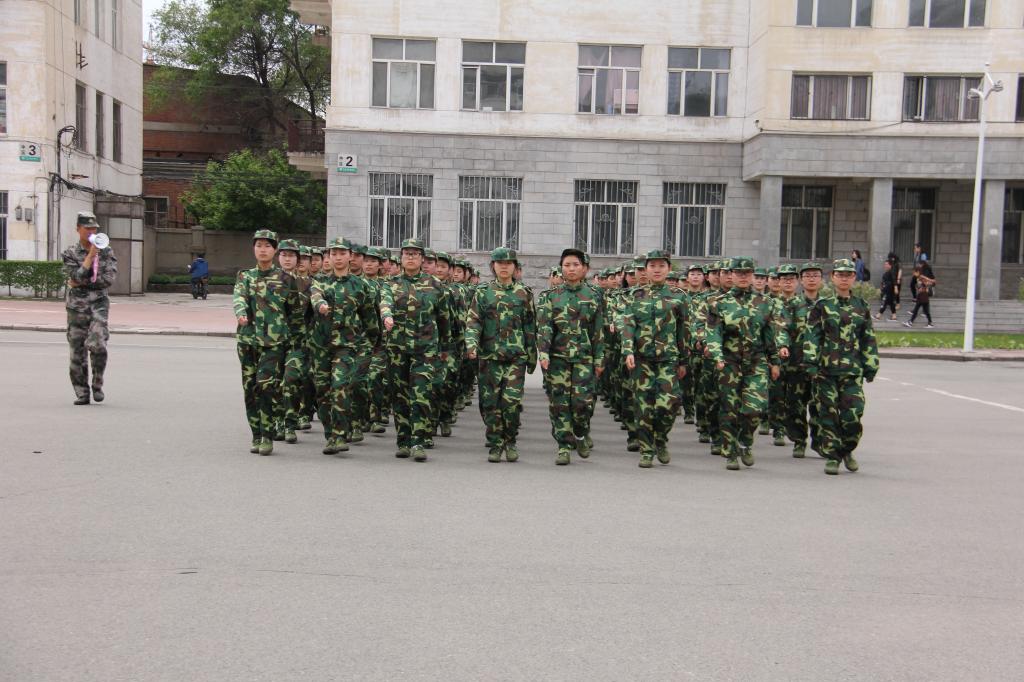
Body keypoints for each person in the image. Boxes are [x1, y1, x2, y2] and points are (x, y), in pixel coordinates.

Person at [705, 257, 784, 471]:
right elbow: (713, 332)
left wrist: (774, 362)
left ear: (752, 275)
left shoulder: (764, 302)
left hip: (756, 361)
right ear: (731, 275)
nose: (742, 277)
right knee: (729, 408)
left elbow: (769, 336)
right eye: (738, 273)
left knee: (755, 408)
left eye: (747, 273)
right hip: (729, 362)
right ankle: (730, 452)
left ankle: (745, 441)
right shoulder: (719, 303)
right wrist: (717, 355)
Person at [803, 258, 879, 475]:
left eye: (848, 275)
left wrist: (871, 364)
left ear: (854, 278)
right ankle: (833, 456)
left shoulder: (861, 306)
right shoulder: (822, 306)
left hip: (852, 371)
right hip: (826, 371)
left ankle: (846, 449)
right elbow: (812, 336)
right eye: (840, 275)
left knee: (853, 414)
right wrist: (811, 362)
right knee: (828, 415)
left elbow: (868, 338)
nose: (844, 279)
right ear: (833, 277)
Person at [379, 238, 452, 462]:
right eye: (407, 253)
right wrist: (387, 316)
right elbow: (385, 303)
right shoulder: (390, 284)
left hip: (425, 350)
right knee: (399, 395)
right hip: (397, 349)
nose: (410, 257)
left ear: (422, 258)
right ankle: (403, 441)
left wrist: (446, 349)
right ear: (401, 258)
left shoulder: (436, 286)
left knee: (421, 394)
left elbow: (444, 319)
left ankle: (419, 440)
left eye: (415, 254)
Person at [309, 238, 380, 455]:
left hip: (346, 346)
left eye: (342, 253)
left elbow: (369, 317)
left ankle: (340, 434)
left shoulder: (360, 286)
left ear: (350, 256)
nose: (338, 258)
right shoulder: (319, 281)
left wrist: (373, 343)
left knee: (340, 385)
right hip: (320, 345)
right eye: (334, 253)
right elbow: (315, 297)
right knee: (322, 391)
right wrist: (321, 305)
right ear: (328, 257)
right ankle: (330, 434)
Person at [465, 247, 536, 462]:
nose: (504, 267)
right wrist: (471, 344)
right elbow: (474, 321)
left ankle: (510, 441)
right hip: (489, 357)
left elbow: (530, 327)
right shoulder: (483, 292)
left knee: (511, 402)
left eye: (508, 263)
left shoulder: (524, 293)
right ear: (493, 266)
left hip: (516, 357)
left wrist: (532, 356)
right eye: (500, 263)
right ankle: (495, 444)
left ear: (515, 267)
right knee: (490, 404)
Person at [621, 249, 689, 468]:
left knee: (669, 404)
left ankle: (660, 438)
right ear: (646, 269)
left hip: (668, 358)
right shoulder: (635, 295)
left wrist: (684, 360)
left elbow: (684, 331)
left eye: (661, 266)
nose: (657, 270)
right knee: (644, 406)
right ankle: (647, 449)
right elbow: (628, 325)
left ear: (668, 269)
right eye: (652, 266)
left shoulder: (679, 296)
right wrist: (628, 351)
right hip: (641, 360)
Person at [233, 229, 298, 455]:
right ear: (254, 249)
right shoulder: (245, 276)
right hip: (248, 340)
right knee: (250, 389)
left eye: (267, 246)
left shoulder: (286, 279)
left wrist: (293, 343)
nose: (263, 250)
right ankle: (257, 434)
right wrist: (241, 313)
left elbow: (294, 313)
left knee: (266, 386)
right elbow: (239, 297)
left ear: (275, 250)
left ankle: (268, 435)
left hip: (274, 342)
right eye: (259, 245)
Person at [537, 248, 604, 465]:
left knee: (583, 403)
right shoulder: (551, 296)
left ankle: (581, 434)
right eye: (567, 265)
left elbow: (598, 330)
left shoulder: (594, 295)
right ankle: (564, 446)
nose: (571, 269)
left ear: (584, 268)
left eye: (576, 264)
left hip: (584, 358)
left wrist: (599, 358)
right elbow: (545, 327)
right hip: (558, 357)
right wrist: (543, 352)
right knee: (559, 404)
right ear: (561, 268)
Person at [62, 211, 118, 405]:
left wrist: (81, 281)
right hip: (76, 307)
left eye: (94, 228)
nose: (91, 232)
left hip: (98, 304)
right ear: (78, 229)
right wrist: (90, 257)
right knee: (77, 351)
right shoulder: (70, 253)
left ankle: (97, 383)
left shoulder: (107, 251)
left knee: (98, 344)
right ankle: (82, 393)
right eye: (87, 228)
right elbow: (74, 276)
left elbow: (108, 279)